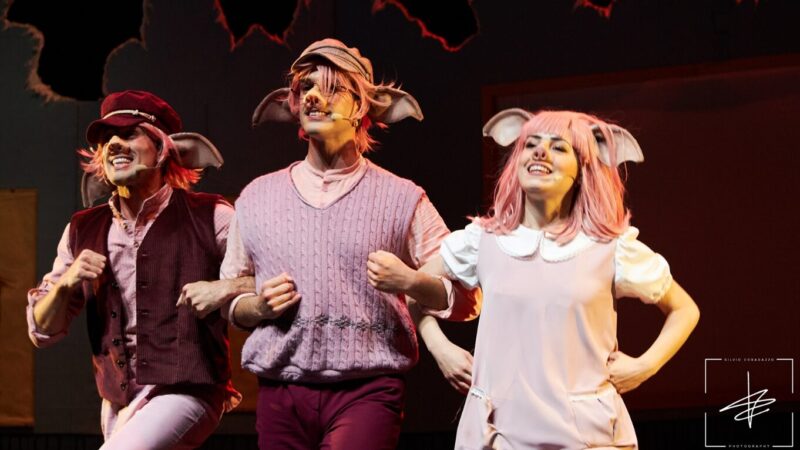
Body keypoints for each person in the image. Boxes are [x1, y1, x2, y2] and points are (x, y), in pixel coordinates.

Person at [368, 109, 701, 449]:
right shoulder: (483, 240)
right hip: (498, 433)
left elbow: (684, 310)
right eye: (531, 144)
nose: (540, 152)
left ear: (582, 169)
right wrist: (442, 350)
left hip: (584, 433)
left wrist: (644, 366)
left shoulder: (610, 248)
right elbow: (412, 286)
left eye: (559, 147)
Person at [220, 38, 479, 449]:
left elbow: (465, 294)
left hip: (367, 389)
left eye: (332, 88)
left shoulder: (402, 198)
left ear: (360, 106)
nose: (314, 97)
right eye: (306, 87)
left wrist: (411, 281)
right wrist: (259, 307)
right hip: (281, 390)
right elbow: (230, 299)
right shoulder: (256, 197)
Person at [26, 90, 253, 449]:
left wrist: (224, 288)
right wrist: (65, 284)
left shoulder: (213, 215)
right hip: (118, 400)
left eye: (129, 133)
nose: (114, 143)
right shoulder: (81, 229)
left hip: (188, 389)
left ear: (162, 148)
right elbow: (42, 331)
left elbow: (272, 278)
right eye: (106, 138)